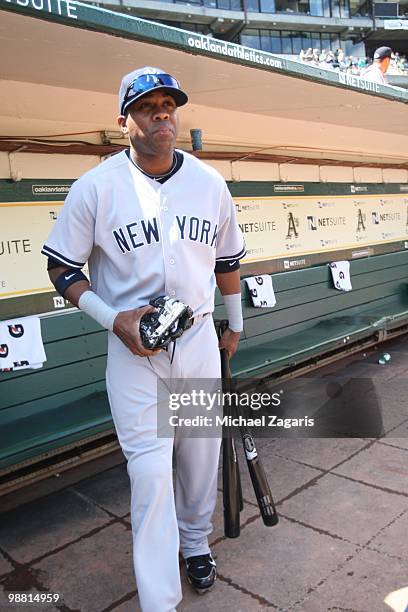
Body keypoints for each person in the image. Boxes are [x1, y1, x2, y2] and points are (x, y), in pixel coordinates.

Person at [41, 66, 246, 612]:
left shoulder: (208, 182)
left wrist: (236, 324)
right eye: (147, 105)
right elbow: (62, 269)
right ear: (123, 120)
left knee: (200, 456)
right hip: (136, 352)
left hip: (199, 337)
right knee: (151, 473)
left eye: (169, 104)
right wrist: (114, 319)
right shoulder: (97, 186)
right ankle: (159, 600)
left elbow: (227, 262)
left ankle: (197, 542)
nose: (162, 113)